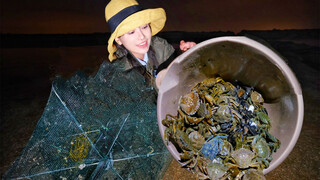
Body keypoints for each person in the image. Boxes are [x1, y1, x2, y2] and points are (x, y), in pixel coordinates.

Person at [105, 0, 196, 90]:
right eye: (131, 32)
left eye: (144, 27)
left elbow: (179, 70)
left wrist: (185, 54)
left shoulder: (161, 46)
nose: (142, 36)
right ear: (118, 40)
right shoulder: (118, 74)